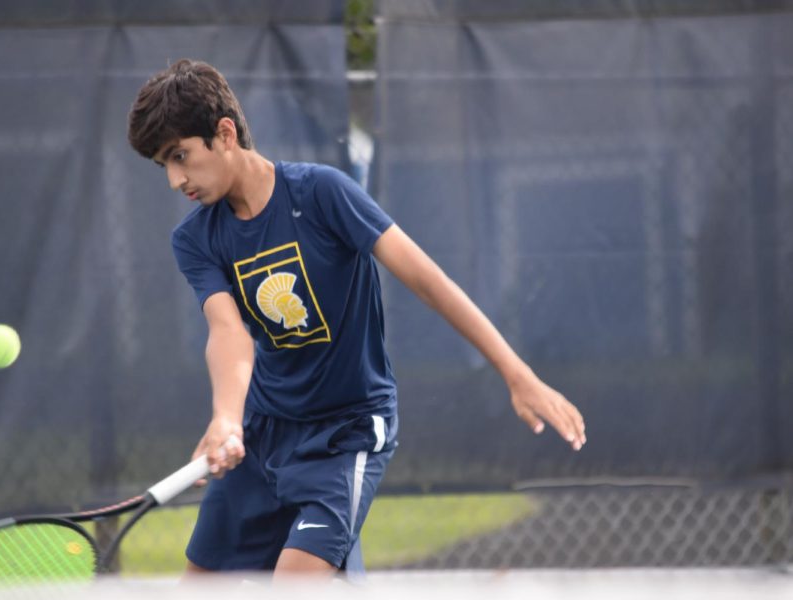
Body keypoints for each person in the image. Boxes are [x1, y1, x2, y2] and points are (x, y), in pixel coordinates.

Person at [127, 59, 586, 579]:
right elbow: (229, 332)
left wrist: (516, 373)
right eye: (163, 164)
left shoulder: (322, 194)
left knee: (293, 586)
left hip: (345, 434)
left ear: (224, 133)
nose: (174, 179)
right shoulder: (194, 239)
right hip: (262, 432)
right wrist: (227, 418)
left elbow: (427, 281)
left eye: (179, 156)